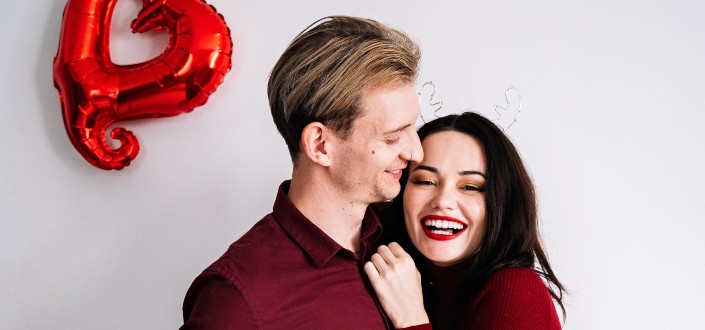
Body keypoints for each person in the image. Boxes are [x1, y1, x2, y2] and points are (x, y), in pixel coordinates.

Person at [180, 16, 424, 329]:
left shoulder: (406, 236)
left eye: (412, 129)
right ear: (320, 145)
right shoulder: (236, 300)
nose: (415, 152)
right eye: (392, 137)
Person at [364, 112, 566, 329]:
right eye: (425, 181)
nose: (443, 201)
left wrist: (411, 318)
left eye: (470, 187)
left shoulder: (516, 290)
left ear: (501, 203)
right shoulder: (398, 271)